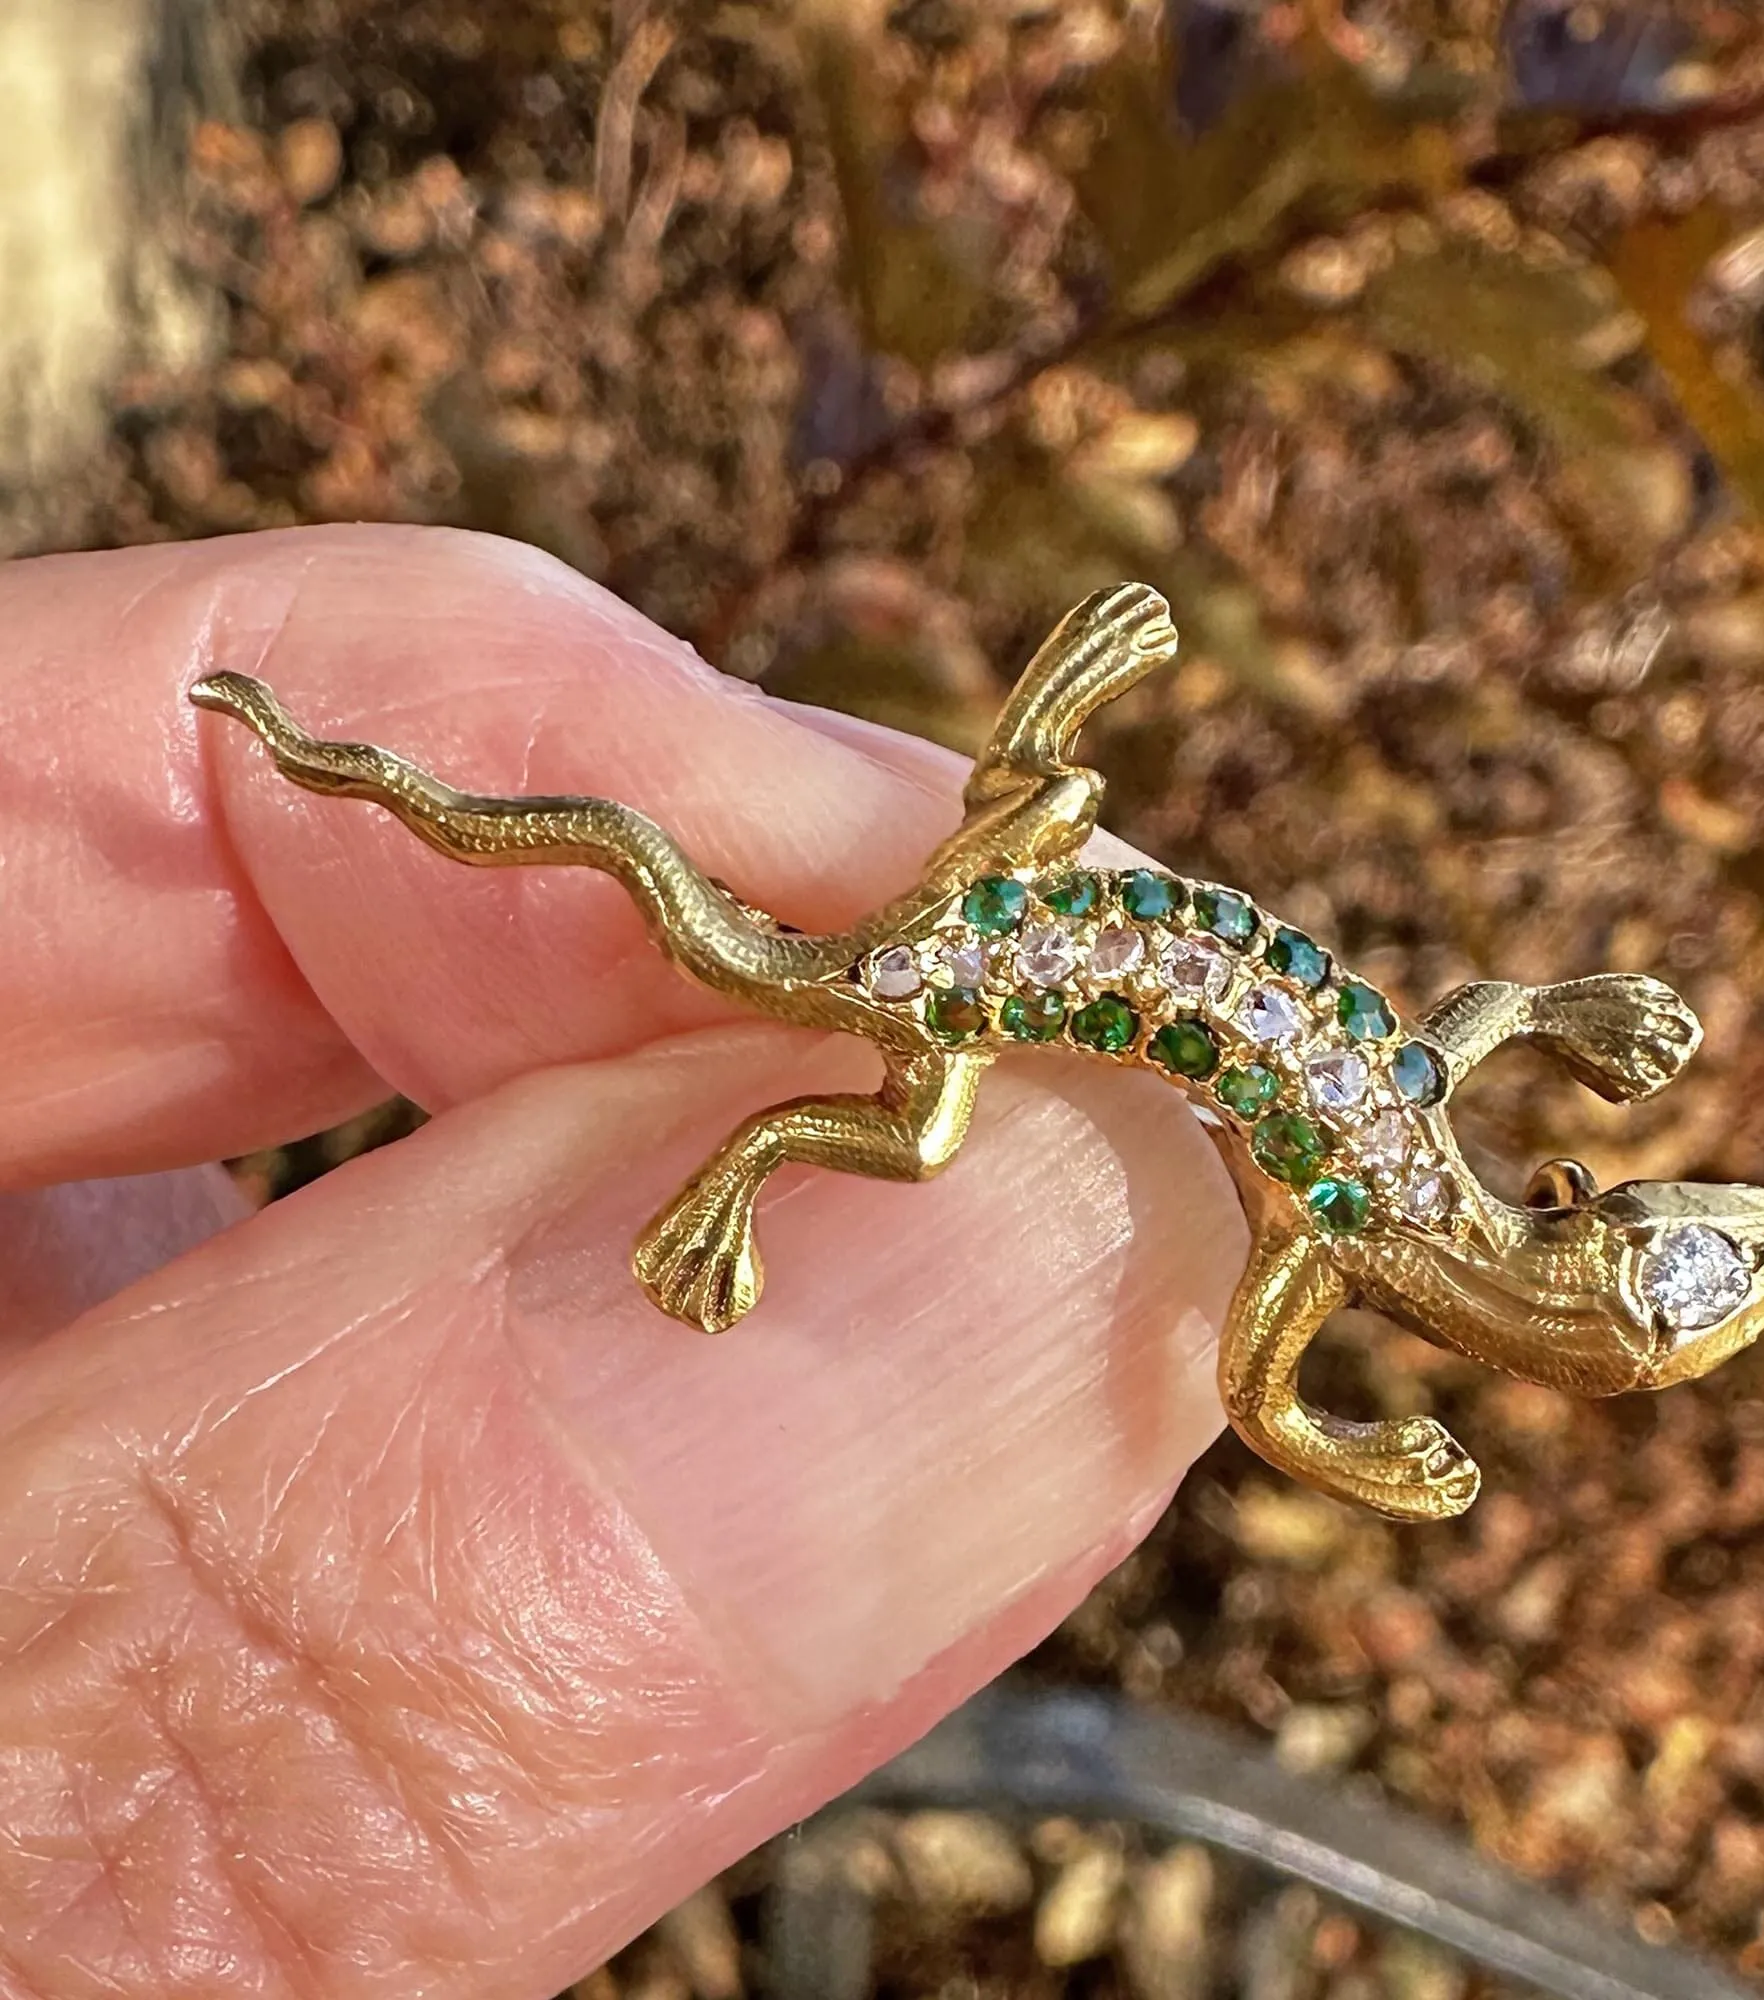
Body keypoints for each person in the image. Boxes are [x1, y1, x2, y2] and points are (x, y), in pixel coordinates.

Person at [0, 526, 1235, 1997]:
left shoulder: (992, 885)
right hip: (948, 986)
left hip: (974, 949)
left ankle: (737, 1154)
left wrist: (1048, 735)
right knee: (911, 1143)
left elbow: (1028, 812)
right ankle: (732, 1176)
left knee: (875, 1035)